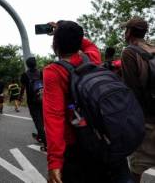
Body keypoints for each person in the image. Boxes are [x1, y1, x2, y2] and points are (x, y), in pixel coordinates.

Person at [43, 20, 133, 183]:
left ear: (55, 44)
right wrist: (65, 29)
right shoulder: (92, 57)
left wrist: (54, 162)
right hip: (107, 136)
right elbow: (88, 44)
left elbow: (54, 117)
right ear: (79, 41)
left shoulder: (53, 72)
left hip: (77, 148)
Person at [121, 17, 155, 183]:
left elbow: (131, 92)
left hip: (146, 122)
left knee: (136, 168)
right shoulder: (153, 48)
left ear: (129, 32)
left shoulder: (129, 52)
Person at [19, 57, 46, 148]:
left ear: (27, 65)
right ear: (36, 64)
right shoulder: (41, 73)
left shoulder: (24, 75)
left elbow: (22, 88)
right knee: (42, 119)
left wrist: (20, 97)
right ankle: (40, 135)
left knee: (37, 121)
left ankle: (45, 142)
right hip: (43, 98)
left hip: (32, 101)